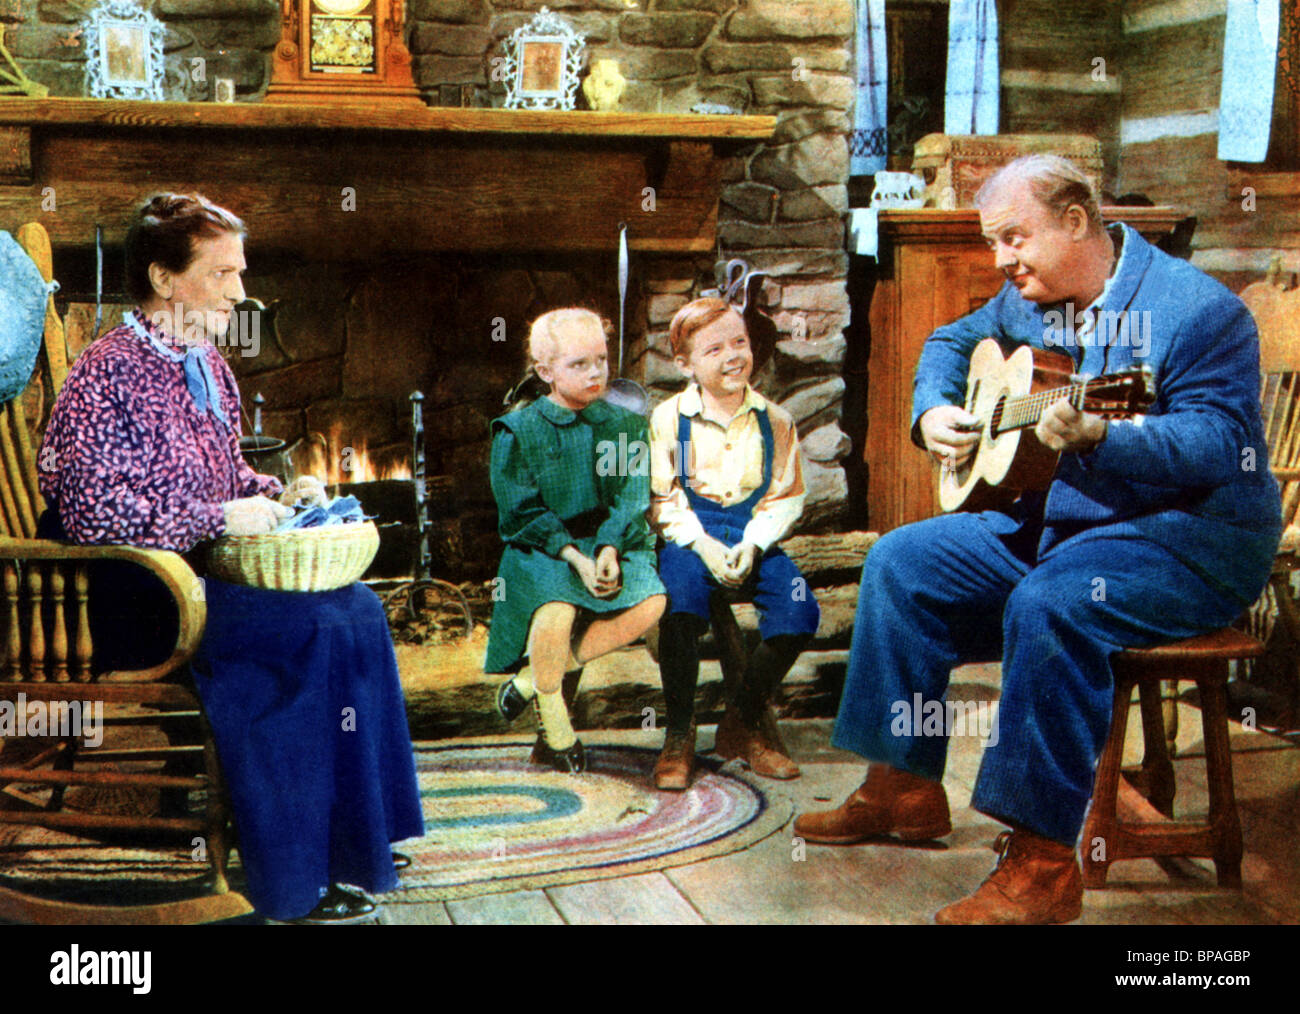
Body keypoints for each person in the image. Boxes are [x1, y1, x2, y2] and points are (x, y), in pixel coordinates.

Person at [794, 155, 1282, 924]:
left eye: (1014, 238)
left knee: (1051, 604)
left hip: (1188, 540)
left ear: (1076, 221)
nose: (1000, 261)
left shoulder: (1198, 311)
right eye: (993, 243)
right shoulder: (1032, 297)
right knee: (900, 561)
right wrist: (932, 414)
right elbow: (952, 343)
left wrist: (1101, 437)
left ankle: (1044, 866)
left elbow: (1221, 446)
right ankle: (905, 785)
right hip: (1070, 516)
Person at [37, 193, 425, 923]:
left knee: (359, 609)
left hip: (204, 573)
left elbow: (226, 478)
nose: (241, 293)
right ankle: (293, 880)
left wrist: (278, 491)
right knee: (309, 631)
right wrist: (216, 516)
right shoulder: (103, 375)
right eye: (221, 276)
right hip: (142, 594)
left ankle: (356, 838)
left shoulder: (207, 363)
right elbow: (91, 516)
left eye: (239, 273)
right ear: (162, 278)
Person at [648, 298, 820, 790]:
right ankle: (679, 733)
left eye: (739, 342)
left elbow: (786, 496)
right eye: (714, 348)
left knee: (799, 613)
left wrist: (754, 543)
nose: (732, 356)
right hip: (690, 533)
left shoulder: (775, 420)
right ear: (685, 364)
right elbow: (662, 498)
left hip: (751, 533)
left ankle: (739, 724)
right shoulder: (668, 420)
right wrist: (700, 545)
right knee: (679, 607)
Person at [488, 308, 666, 773]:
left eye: (601, 361)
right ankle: (557, 726)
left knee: (650, 602)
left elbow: (630, 495)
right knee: (556, 610)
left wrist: (607, 548)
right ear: (545, 372)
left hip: (610, 538)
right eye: (578, 364)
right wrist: (575, 556)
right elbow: (519, 511)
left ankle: (530, 681)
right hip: (545, 544)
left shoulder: (622, 425)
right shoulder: (518, 431)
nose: (595, 374)